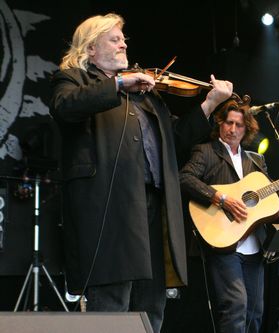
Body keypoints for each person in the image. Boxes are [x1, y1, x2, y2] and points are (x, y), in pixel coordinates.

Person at [49, 13, 233, 333]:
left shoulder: (147, 94)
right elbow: (66, 106)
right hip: (109, 205)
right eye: (115, 39)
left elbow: (175, 140)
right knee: (112, 302)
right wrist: (119, 83)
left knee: (152, 304)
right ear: (91, 48)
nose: (124, 44)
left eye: (123, 39)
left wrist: (210, 104)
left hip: (153, 207)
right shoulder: (73, 79)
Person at [179, 97, 279, 333]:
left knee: (255, 311)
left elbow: (267, 198)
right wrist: (221, 198)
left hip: (253, 244)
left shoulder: (256, 159)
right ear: (219, 124)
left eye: (239, 125)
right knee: (235, 306)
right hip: (223, 240)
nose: (232, 129)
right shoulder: (206, 152)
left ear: (246, 129)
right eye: (228, 123)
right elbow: (185, 178)